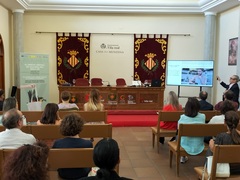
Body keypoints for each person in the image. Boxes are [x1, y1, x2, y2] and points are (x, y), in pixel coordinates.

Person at [52, 113, 93, 179]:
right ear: (80, 126)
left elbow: (56, 162)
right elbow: (89, 163)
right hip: (82, 173)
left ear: (63, 127)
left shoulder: (58, 143)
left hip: (64, 173)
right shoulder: (87, 143)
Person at [178, 97, 206, 163]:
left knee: (178, 136)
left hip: (185, 145)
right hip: (199, 144)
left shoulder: (183, 117)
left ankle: (183, 156)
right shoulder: (203, 116)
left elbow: (178, 129)